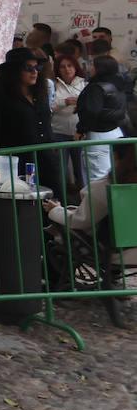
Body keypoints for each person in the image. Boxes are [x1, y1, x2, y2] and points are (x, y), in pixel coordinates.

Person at [42, 138, 137, 269]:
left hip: (116, 252)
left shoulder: (105, 187)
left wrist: (55, 210)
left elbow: (81, 220)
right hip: (130, 249)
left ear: (114, 156)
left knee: (61, 235)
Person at [0, 47, 50, 187]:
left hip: (45, 159)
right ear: (14, 71)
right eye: (28, 68)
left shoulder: (40, 95)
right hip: (15, 162)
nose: (35, 72)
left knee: (52, 197)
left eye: (37, 67)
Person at [76, 55, 130, 184]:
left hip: (98, 136)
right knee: (114, 177)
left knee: (98, 179)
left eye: (93, 65)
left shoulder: (96, 87)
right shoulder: (119, 85)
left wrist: (80, 130)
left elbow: (91, 112)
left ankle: (101, 204)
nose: (89, 68)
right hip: (116, 133)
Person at [51, 54, 86, 189]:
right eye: (62, 67)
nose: (67, 69)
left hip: (79, 133)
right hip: (58, 132)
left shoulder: (84, 84)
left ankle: (85, 200)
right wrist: (64, 102)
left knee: (82, 170)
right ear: (57, 69)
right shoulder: (53, 85)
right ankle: (61, 201)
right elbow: (48, 107)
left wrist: (81, 103)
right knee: (60, 170)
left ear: (76, 67)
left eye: (69, 66)